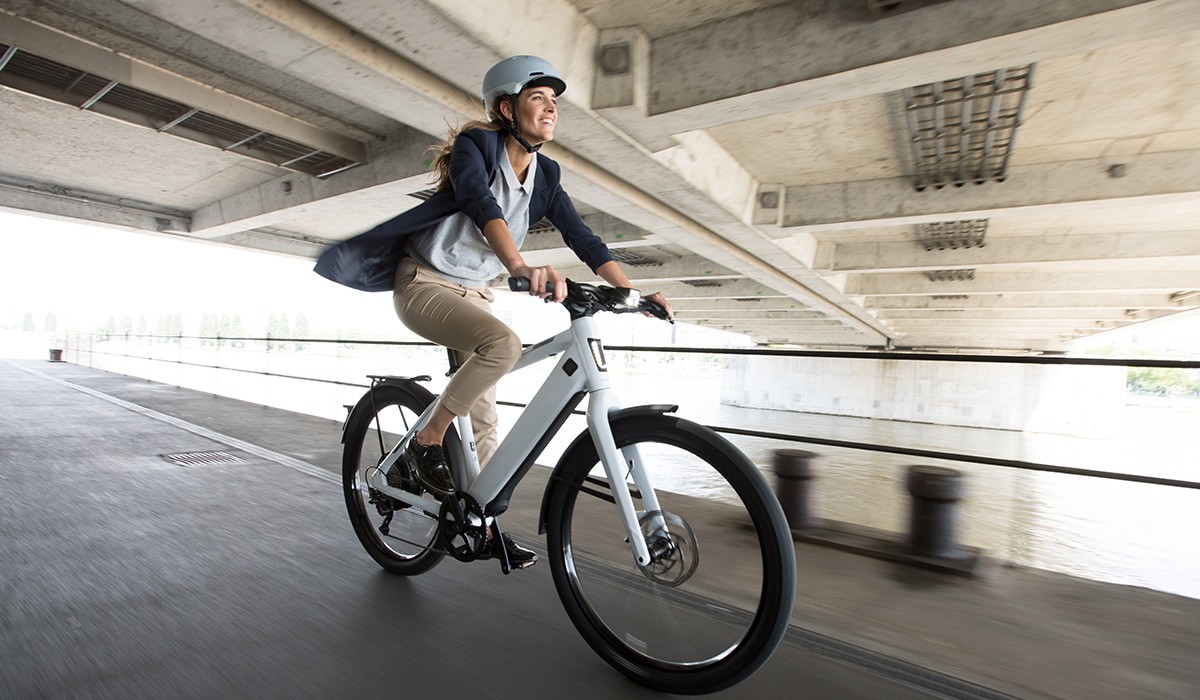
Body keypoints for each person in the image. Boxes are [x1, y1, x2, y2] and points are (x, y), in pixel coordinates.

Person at [314, 55, 672, 568]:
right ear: (506, 108)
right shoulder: (475, 148)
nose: (550, 108)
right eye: (537, 98)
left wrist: (635, 294)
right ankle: (428, 439)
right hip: (425, 284)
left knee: (486, 421)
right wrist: (520, 267)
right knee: (503, 346)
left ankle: (483, 529)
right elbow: (484, 206)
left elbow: (584, 238)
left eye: (554, 101)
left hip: (476, 293)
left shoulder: (546, 174)